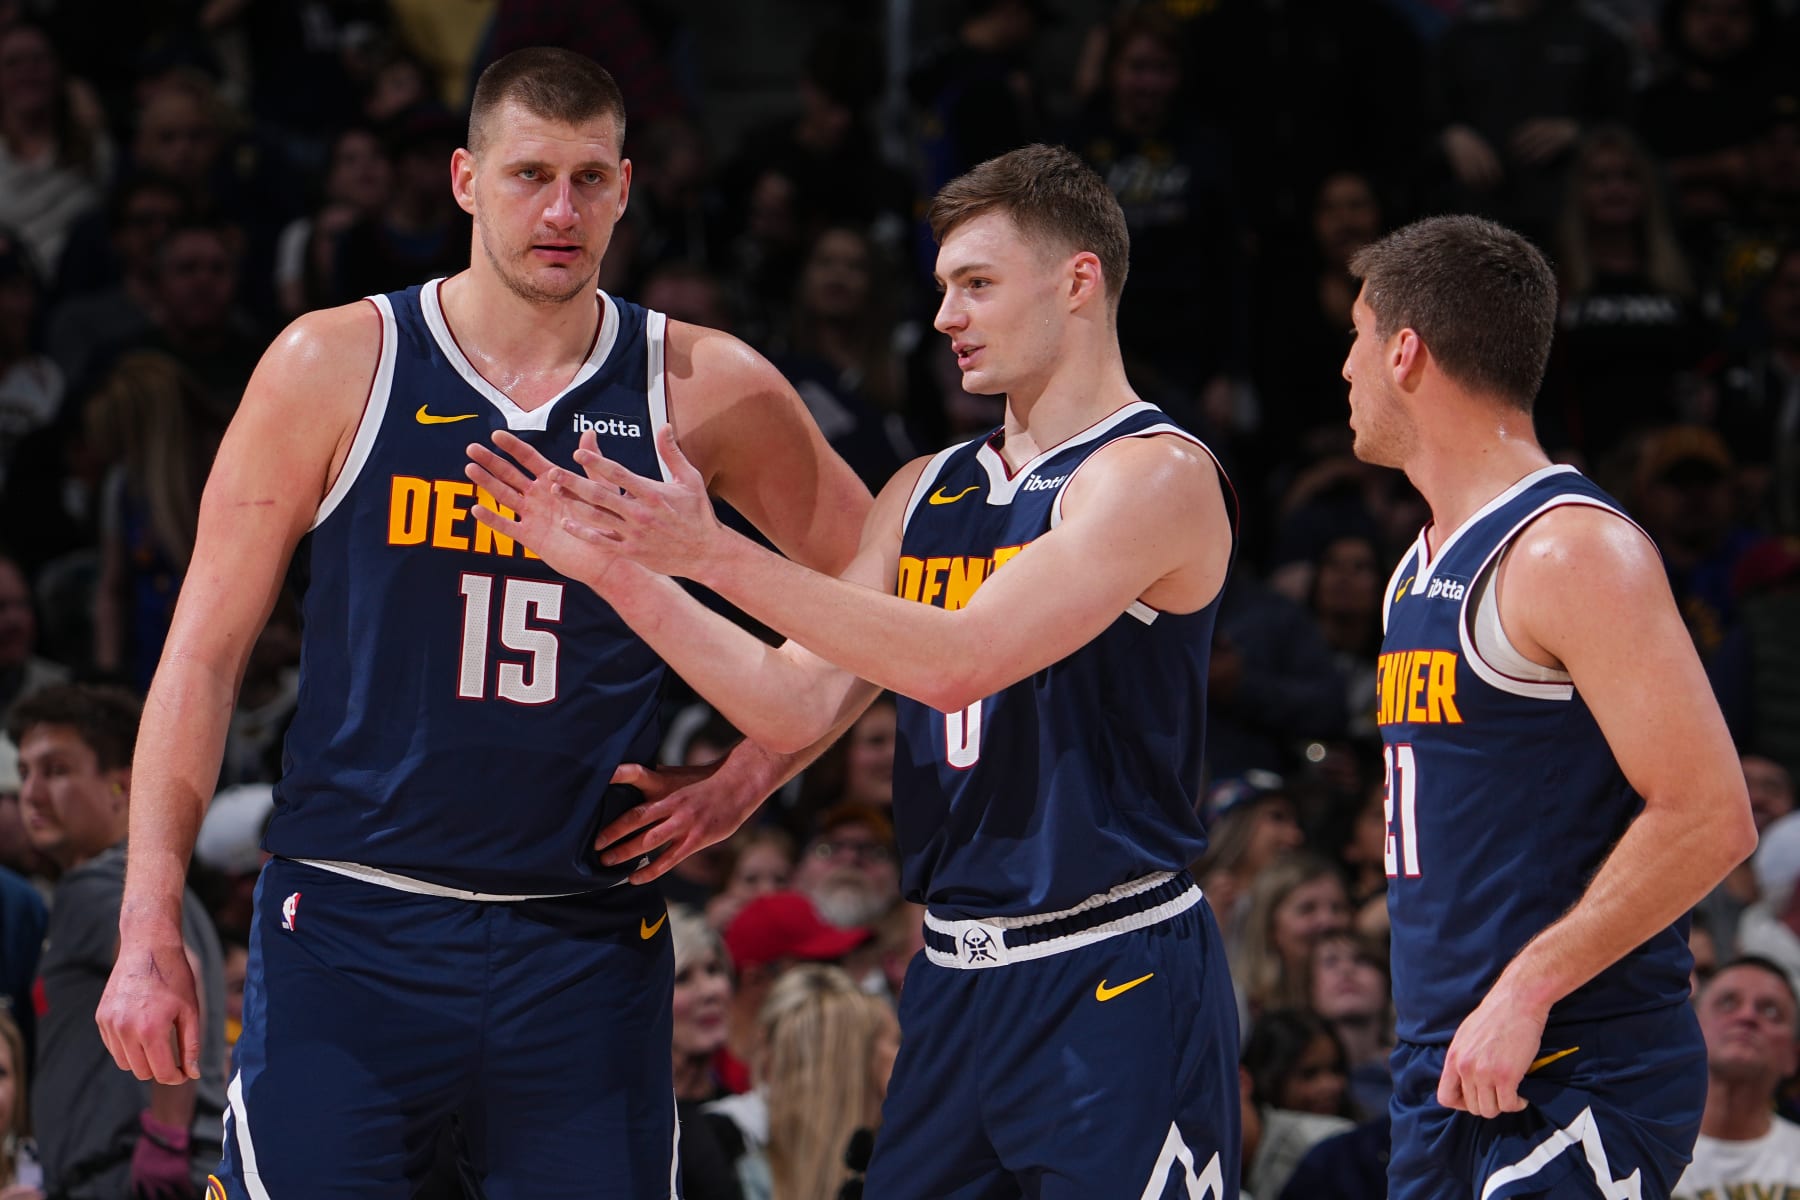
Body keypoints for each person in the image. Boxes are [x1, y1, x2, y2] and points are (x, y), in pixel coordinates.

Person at [93, 47, 872, 1198]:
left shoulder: (703, 385)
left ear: (626, 187)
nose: (561, 210)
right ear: (464, 178)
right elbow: (201, 658)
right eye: (528, 175)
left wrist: (749, 775)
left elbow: (889, 593)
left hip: (583, 943)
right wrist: (148, 913)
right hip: (353, 923)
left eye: (590, 179)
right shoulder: (333, 361)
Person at [469, 141, 1242, 1198]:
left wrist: (709, 551)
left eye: (976, 284)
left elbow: (958, 662)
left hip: (1110, 970)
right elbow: (793, 700)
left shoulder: (1153, 475)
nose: (944, 318)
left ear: (1077, 282)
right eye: (941, 289)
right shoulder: (924, 489)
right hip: (950, 984)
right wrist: (618, 572)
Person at [1342, 213, 1757, 1198]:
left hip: (1576, 1054)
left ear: (1405, 352)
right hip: (1443, 1056)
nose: (1345, 369)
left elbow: (1709, 816)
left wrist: (1527, 988)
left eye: (1355, 338)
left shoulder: (1569, 549)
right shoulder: (1418, 564)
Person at [15, 684, 226, 1200]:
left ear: (122, 787)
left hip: (133, 1172)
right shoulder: (167, 894)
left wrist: (165, 1137)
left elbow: (179, 974)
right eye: (24, 773)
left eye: (57, 770)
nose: (32, 794)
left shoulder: (93, 888)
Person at [1672, 956, 1800, 1199]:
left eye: (1771, 1011)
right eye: (1728, 1003)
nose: (1747, 1017)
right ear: (1692, 1028)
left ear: (1793, 1057)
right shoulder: (1640, 1148)